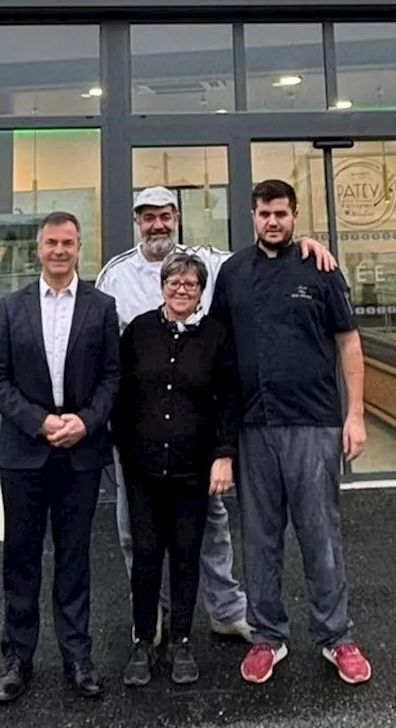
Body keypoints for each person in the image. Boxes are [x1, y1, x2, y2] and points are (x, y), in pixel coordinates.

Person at [96, 186, 336, 644]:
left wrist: (309, 247)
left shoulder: (210, 261)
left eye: (165, 215)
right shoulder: (115, 275)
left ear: (177, 216)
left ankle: (226, 610)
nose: (157, 225)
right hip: (140, 435)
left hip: (197, 431)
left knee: (213, 527)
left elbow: (268, 254)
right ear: (136, 221)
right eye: (148, 217)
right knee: (135, 534)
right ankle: (151, 615)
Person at [210, 179, 372, 687]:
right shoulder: (233, 273)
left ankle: (336, 636)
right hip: (254, 427)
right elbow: (221, 356)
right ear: (252, 215)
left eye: (281, 213)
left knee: (320, 533)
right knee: (259, 538)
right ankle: (267, 638)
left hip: (314, 422)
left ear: (295, 215)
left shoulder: (319, 268)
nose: (272, 221)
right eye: (264, 213)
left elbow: (348, 344)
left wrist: (356, 414)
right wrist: (222, 439)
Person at [0, 211, 120, 704]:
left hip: (80, 451)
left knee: (74, 557)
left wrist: (86, 421)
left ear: (79, 247)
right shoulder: (13, 307)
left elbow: (112, 378)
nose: (59, 251)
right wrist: (39, 422)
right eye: (51, 243)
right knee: (20, 558)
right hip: (24, 452)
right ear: (38, 248)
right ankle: (18, 658)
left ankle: (77, 656)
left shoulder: (102, 307)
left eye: (68, 243)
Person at [114, 252, 240, 688]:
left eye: (191, 284)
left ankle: (182, 641)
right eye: (174, 283)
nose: (182, 290)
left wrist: (224, 454)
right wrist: (125, 450)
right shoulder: (139, 332)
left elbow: (228, 399)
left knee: (187, 558)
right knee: (146, 555)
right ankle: (143, 641)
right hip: (143, 470)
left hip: (193, 469)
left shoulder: (217, 337)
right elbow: (121, 394)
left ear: (201, 291)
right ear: (162, 286)